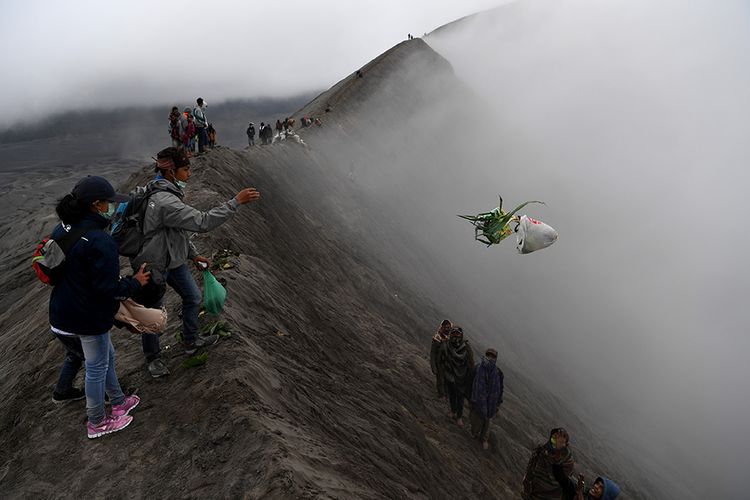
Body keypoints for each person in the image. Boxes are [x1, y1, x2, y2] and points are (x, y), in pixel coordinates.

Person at [131, 147, 261, 378]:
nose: (190, 173)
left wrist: (192, 254)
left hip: (173, 259)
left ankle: (191, 340)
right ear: (171, 172)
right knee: (153, 314)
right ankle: (153, 359)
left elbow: (174, 230)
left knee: (192, 297)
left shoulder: (161, 190)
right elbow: (202, 222)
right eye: (186, 169)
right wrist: (235, 202)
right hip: (154, 265)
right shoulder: (165, 201)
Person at [49, 176, 150, 438]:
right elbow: (108, 289)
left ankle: (118, 401)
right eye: (108, 202)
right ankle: (97, 422)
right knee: (96, 368)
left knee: (107, 358)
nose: (111, 206)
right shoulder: (99, 241)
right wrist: (135, 283)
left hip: (61, 313)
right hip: (86, 317)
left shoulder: (63, 229)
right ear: (96, 204)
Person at [522, 428, 575, 499]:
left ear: (565, 444)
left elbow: (563, 481)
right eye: (554, 437)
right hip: (533, 495)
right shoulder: (540, 451)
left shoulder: (567, 459)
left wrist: (558, 452)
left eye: (559, 438)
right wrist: (526, 492)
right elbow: (530, 472)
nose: (555, 440)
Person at [437, 327, 474, 426]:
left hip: (462, 377)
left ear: (461, 335)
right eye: (453, 333)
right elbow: (441, 359)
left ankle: (459, 417)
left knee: (460, 397)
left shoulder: (466, 347)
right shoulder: (446, 345)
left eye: (458, 334)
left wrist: (470, 377)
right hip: (449, 375)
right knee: (452, 394)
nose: (455, 336)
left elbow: (471, 362)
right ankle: (453, 411)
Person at [470, 348, 504, 450]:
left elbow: (500, 388)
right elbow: (471, 382)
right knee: (476, 419)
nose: (490, 358)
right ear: (485, 355)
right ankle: (474, 433)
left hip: (492, 402)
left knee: (488, 422)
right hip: (478, 400)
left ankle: (484, 439)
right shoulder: (478, 368)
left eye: (493, 356)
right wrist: (470, 397)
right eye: (489, 355)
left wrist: (498, 402)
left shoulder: (498, 373)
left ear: (496, 358)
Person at [552, 466, 621, 500]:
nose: (596, 486)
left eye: (601, 487)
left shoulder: (580, 491)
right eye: (597, 484)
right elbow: (564, 480)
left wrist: (579, 492)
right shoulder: (584, 491)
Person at [429, 319, 452, 398]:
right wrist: (433, 367)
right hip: (440, 364)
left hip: (448, 364)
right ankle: (441, 396)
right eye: (446, 327)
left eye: (449, 327)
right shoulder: (437, 338)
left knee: (447, 381)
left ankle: (447, 395)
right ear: (442, 327)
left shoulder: (449, 338)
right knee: (440, 380)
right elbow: (433, 354)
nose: (447, 329)